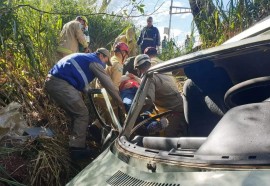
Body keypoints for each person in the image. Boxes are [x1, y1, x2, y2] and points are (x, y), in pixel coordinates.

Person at [44, 48, 125, 160]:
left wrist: (89, 90)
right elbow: (108, 83)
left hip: (54, 81)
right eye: (105, 61)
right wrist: (120, 101)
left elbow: (80, 80)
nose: (104, 65)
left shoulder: (85, 58)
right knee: (82, 113)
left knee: (76, 113)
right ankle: (77, 150)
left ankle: (77, 141)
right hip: (60, 83)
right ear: (101, 56)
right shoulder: (95, 62)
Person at [134, 54, 188, 137]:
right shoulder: (159, 70)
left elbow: (148, 101)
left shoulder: (148, 76)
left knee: (168, 140)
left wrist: (136, 113)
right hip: (181, 104)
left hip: (173, 111)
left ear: (138, 68)